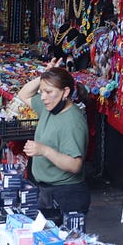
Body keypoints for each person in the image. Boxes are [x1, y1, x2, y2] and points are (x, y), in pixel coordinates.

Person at [15, 61, 90, 221]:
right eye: (42, 92)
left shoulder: (73, 122)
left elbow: (75, 165)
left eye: (49, 92)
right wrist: (44, 75)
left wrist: (44, 150)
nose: (43, 97)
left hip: (65, 195)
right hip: (46, 191)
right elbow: (24, 94)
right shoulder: (49, 107)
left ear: (65, 92)